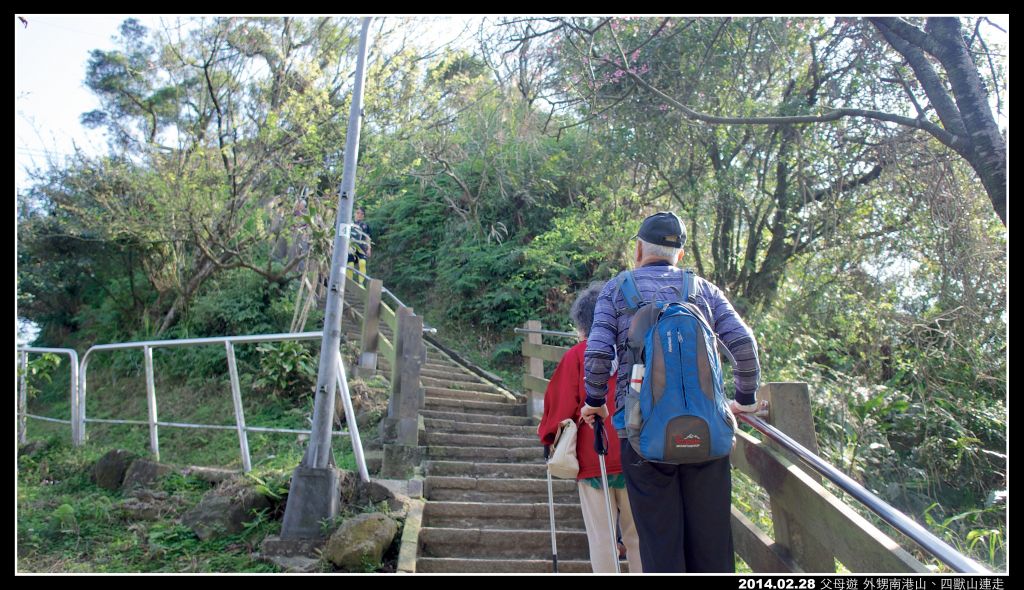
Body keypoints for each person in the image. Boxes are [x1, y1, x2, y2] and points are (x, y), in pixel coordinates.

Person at [579, 211, 767, 573]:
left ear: (638, 250)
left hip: (639, 434)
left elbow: (599, 353)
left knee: (659, 544)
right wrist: (743, 400)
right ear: (679, 254)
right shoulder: (702, 290)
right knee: (712, 543)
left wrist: (595, 401)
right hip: (706, 433)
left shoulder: (617, 289)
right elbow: (743, 345)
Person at [537, 283, 643, 574]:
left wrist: (547, 438)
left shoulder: (577, 356)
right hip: (635, 453)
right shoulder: (634, 353)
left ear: (582, 323)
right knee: (638, 536)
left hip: (594, 456)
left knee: (602, 537)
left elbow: (557, 409)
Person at [347, 206, 372, 285]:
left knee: (362, 263)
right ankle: (349, 282)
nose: (359, 215)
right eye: (358, 213)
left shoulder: (365, 225)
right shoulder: (349, 223)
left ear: (363, 216)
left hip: (361, 247)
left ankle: (361, 283)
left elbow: (368, 238)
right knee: (350, 264)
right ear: (355, 213)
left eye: (362, 214)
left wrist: (369, 249)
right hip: (351, 247)